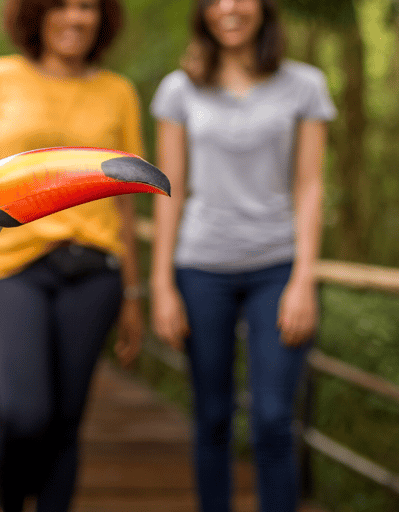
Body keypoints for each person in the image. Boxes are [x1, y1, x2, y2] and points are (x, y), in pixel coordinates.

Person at [0, 0, 144, 510]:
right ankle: (3, 502)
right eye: (61, 5)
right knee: (23, 411)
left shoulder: (118, 91)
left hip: (94, 272)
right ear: (36, 14)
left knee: (65, 422)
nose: (74, 17)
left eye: (87, 7)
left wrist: (133, 295)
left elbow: (125, 203)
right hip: (10, 268)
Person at [149, 0, 335, 510]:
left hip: (277, 267)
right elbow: (171, 190)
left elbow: (310, 185)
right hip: (200, 268)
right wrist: (162, 285)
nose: (228, 9)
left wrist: (304, 279)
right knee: (211, 416)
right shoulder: (180, 88)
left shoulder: (305, 85)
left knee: (274, 418)